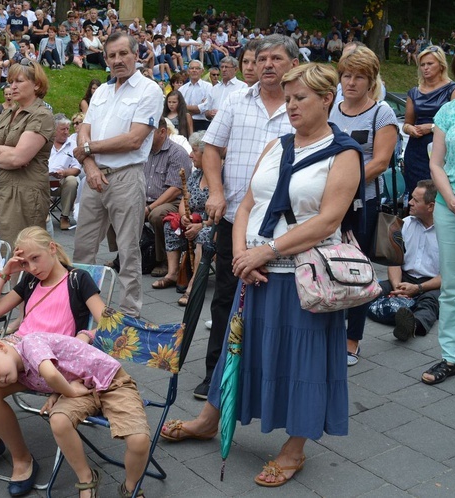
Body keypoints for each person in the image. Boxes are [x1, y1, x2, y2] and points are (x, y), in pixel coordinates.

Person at [162, 63, 363, 488]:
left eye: (300, 98)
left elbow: (328, 221)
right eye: (288, 98)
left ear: (326, 100)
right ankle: (208, 420)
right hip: (254, 269)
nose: (290, 106)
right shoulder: (277, 145)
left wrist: (264, 252)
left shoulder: (345, 153)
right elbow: (248, 204)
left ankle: (294, 450)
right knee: (239, 347)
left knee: (303, 359)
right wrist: (241, 256)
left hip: (304, 278)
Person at [0, 226, 105, 497]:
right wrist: (6, 273)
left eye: (35, 258)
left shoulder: (77, 280)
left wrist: (83, 337)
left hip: (48, 360)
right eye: (25, 262)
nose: (32, 267)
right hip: (14, 353)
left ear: (52, 248)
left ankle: (21, 458)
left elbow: (108, 323)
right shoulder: (29, 281)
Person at [195, 35, 298, 399]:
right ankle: (215, 376)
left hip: (286, 228)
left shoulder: (303, 106)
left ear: (293, 64)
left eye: (276, 58)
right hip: (234, 219)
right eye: (262, 58)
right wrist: (216, 190)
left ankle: (270, 378)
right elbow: (211, 148)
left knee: (277, 302)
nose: (267, 64)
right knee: (225, 297)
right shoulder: (236, 101)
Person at [0, 331, 151, 498]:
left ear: (1, 347)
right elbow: (63, 370)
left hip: (112, 381)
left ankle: (130, 487)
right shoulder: (20, 373)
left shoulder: (30, 344)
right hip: (79, 387)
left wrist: (68, 392)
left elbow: (53, 375)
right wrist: (57, 393)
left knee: (139, 439)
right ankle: (87, 479)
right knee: (58, 420)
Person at [72, 32, 164, 317]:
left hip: (126, 176)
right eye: (111, 55)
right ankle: (80, 306)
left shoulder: (149, 90)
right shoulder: (100, 91)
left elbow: (135, 139)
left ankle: (129, 313)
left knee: (127, 249)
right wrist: (89, 165)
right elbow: (83, 129)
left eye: (123, 53)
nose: (117, 60)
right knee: (82, 248)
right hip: (94, 175)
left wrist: (88, 149)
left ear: (136, 55)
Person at [329, 46, 397, 366]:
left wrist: (343, 182)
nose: (351, 82)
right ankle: (328, 329)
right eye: (346, 75)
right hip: (328, 199)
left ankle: (352, 339)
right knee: (327, 265)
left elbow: (381, 161)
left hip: (362, 202)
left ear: (371, 82)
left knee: (358, 269)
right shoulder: (331, 108)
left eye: (359, 77)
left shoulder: (381, 113)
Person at [0, 59, 53, 246]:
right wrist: (9, 153)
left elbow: (18, 158)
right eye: (10, 82)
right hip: (0, 190)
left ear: (36, 85)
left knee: (22, 252)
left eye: (19, 81)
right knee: (2, 249)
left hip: (24, 194)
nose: (12, 87)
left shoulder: (41, 115)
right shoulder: (9, 113)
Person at [422, 46, 455, 385]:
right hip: (452, 205)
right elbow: (436, 163)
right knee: (452, 286)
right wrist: (451, 201)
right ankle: (450, 358)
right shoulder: (449, 112)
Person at [369, 180, 440, 340]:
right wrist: (398, 287)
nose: (409, 202)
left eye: (416, 200)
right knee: (372, 290)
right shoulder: (404, 223)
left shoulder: (448, 233)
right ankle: (343, 313)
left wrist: (418, 288)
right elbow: (395, 261)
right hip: (404, 278)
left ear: (431, 206)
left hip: (432, 283)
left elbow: (449, 277)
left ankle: (412, 326)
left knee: (430, 302)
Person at [403, 46, 455, 195]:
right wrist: (410, 129)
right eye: (422, 65)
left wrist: (430, 127)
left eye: (430, 64)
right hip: (416, 148)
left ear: (441, 65)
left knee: (436, 193)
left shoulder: (453, 89)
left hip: (443, 146)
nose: (425, 68)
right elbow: (406, 123)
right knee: (417, 193)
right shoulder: (414, 92)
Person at [161, 131, 212, 307]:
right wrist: (184, 216)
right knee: (171, 225)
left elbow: (222, 211)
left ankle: (193, 285)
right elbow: (185, 199)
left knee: (202, 235)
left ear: (207, 154)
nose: (190, 155)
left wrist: (202, 224)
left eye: (195, 151)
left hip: (211, 223)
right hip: (193, 219)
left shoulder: (219, 177)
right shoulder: (196, 175)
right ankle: (173, 273)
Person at [142, 118, 192, 284]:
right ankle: (125, 255)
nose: (144, 136)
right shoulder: (144, 151)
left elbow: (175, 189)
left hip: (173, 201)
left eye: (149, 133)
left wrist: (149, 208)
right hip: (146, 198)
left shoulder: (177, 153)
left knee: (157, 215)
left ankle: (163, 260)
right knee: (117, 206)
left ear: (162, 132)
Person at [48, 113, 81, 230]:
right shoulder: (45, 143)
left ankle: (65, 216)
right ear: (54, 130)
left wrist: (64, 173)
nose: (66, 132)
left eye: (68, 129)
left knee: (72, 180)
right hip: (43, 180)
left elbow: (77, 169)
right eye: (63, 129)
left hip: (61, 181)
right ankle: (41, 216)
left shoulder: (73, 145)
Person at [203, 56, 246, 120]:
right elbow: (206, 111)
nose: (223, 70)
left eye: (226, 67)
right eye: (222, 67)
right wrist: (209, 113)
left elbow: (244, 111)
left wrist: (222, 114)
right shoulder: (215, 88)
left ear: (235, 69)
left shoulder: (242, 87)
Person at [179, 60, 212, 132]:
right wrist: (198, 108)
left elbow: (206, 107)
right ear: (188, 71)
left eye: (197, 68)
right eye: (192, 68)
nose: (194, 70)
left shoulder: (208, 87)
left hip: (202, 123)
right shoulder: (182, 89)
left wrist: (185, 107)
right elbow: (179, 107)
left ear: (202, 71)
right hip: (185, 123)